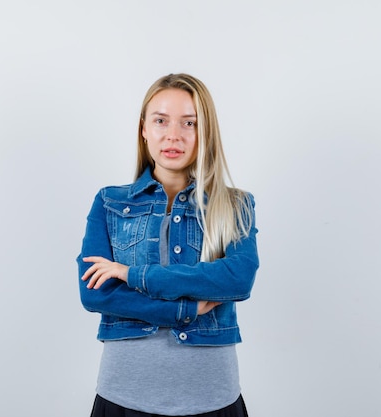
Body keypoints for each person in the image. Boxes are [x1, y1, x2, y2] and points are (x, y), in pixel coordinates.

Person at [77, 73, 259, 417]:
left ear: (205, 132)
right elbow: (95, 293)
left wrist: (131, 275)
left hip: (212, 396)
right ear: (143, 128)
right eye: (160, 120)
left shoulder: (235, 205)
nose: (173, 135)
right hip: (124, 395)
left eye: (189, 123)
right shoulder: (109, 203)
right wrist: (185, 310)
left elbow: (238, 278)